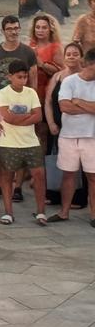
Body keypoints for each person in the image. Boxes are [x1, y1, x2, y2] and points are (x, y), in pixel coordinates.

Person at [0, 60, 48, 226]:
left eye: (25, 77)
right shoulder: (2, 94)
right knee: (7, 176)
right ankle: (8, 212)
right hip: (8, 142)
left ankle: (40, 212)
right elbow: (6, 117)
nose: (23, 80)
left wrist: (18, 119)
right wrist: (27, 117)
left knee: (39, 175)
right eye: (19, 77)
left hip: (30, 141)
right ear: (10, 76)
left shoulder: (31, 93)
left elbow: (38, 116)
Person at [50, 47, 95, 225]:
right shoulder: (69, 81)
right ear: (90, 64)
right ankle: (64, 212)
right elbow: (64, 107)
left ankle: (94, 215)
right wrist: (89, 107)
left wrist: (78, 101)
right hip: (68, 135)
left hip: (91, 136)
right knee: (68, 174)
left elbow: (73, 104)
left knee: (93, 176)